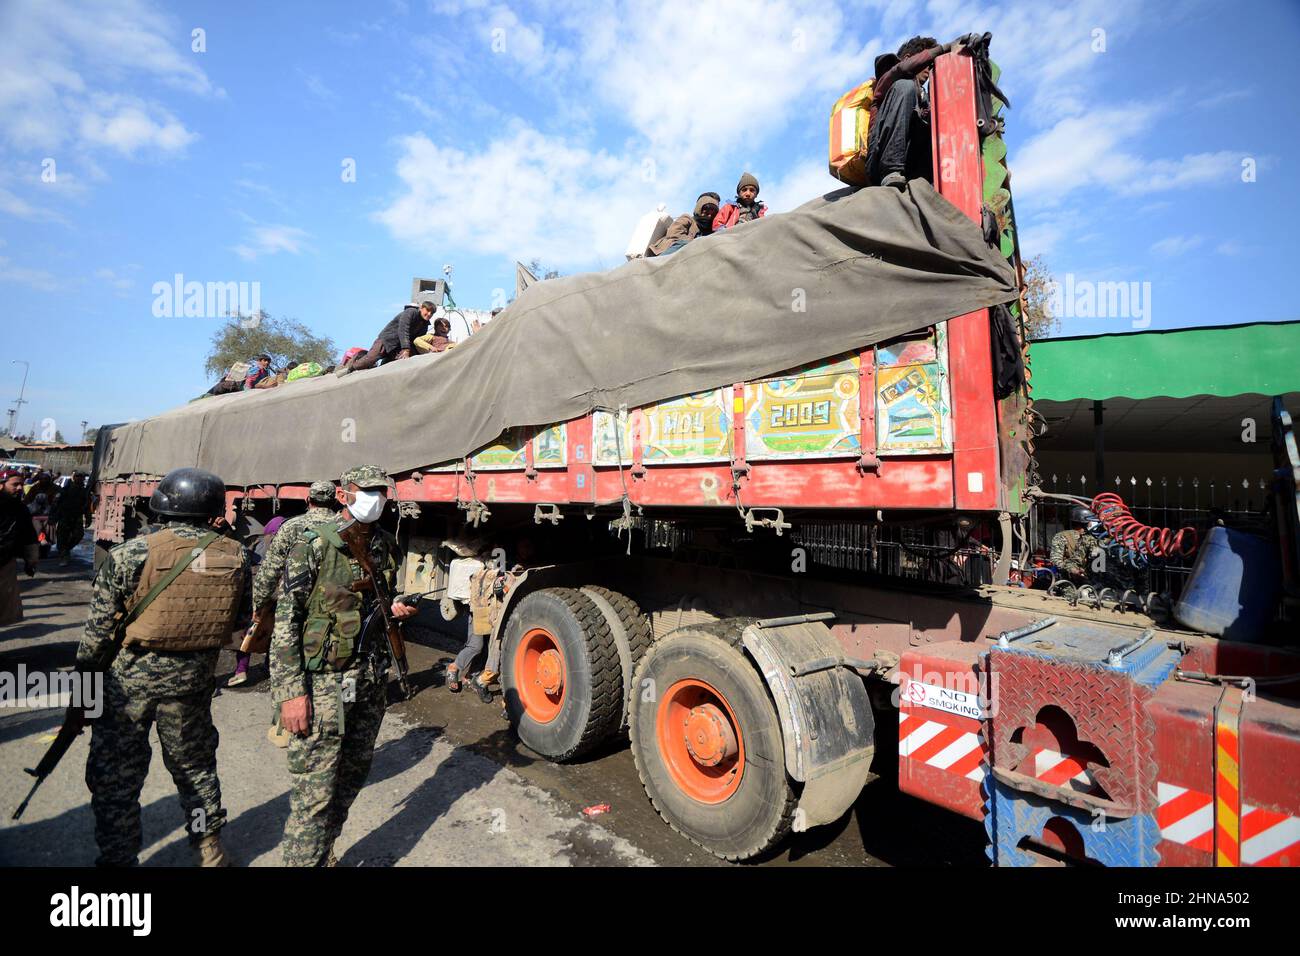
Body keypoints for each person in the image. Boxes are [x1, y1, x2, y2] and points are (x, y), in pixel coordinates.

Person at [80, 467, 252, 867]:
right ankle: (209, 848)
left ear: (161, 505)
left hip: (127, 687)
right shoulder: (235, 556)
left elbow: (95, 638)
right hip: (192, 685)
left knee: (117, 780)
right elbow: (240, 621)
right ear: (211, 509)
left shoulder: (131, 554)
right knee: (195, 772)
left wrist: (84, 700)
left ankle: (119, 857)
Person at [271, 464, 418, 866]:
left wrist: (393, 608)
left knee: (351, 779)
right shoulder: (314, 544)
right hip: (322, 686)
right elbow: (287, 621)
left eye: (382, 492)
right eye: (368, 490)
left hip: (368, 681)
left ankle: (323, 851)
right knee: (314, 796)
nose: (378, 498)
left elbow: (377, 599)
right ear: (343, 495)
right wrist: (290, 694)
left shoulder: (385, 545)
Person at [231, 480, 340, 688]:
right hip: (331, 607)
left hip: (293, 604)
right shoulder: (343, 526)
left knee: (289, 665)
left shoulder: (291, 526)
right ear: (335, 501)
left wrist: (258, 605)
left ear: (308, 500)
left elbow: (269, 571)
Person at [865, 35, 941, 188]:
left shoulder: (922, 96)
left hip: (912, 163)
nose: (928, 69)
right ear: (908, 58)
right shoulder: (889, 78)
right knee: (905, 86)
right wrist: (943, 49)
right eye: (926, 63)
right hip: (880, 158)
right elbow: (902, 69)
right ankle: (891, 170)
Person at [334, 301, 436, 377]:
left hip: (398, 347)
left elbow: (415, 341)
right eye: (427, 311)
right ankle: (349, 370)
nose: (429, 314)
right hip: (387, 340)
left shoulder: (424, 325)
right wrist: (406, 349)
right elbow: (403, 329)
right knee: (370, 359)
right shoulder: (411, 312)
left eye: (432, 313)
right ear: (421, 308)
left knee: (397, 364)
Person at [0, 469, 39, 626]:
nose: (19, 488)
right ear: (1, 485)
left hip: (5, 565)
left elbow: (29, 537)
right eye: (15, 484)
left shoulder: (20, 509)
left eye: (21, 485)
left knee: (3, 610)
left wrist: (32, 562)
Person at [649, 192, 721, 256]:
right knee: (685, 243)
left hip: (689, 258)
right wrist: (696, 243)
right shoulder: (688, 218)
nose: (709, 216)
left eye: (713, 214)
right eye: (706, 212)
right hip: (669, 251)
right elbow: (674, 233)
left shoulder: (711, 231)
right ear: (699, 208)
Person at [1050, 506, 1099, 583]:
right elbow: (1056, 560)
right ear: (1086, 523)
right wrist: (1073, 570)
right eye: (1090, 521)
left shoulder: (1092, 538)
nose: (1091, 524)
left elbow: (1097, 558)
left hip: (1090, 578)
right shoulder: (1062, 537)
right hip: (1068, 579)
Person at [51, 472, 88, 567]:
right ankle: (64, 556)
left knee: (78, 535)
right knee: (62, 537)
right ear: (74, 478)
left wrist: (88, 518)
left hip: (76, 517)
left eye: (81, 477)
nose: (79, 478)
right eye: (77, 476)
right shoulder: (65, 490)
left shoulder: (84, 491)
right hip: (65, 516)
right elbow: (55, 503)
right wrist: (53, 516)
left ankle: (66, 550)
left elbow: (87, 506)